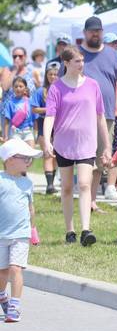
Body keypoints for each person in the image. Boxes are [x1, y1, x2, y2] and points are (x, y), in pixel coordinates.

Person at [67, 16, 117, 214]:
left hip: (105, 114)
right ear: (84, 33)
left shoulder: (112, 55)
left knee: (100, 160)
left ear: (102, 32)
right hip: (78, 114)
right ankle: (78, 196)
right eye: (91, 31)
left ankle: (91, 201)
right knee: (83, 158)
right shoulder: (77, 54)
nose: (95, 34)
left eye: (97, 30)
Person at [44, 45, 110, 247]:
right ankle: (69, 230)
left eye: (82, 60)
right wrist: (47, 140)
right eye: (77, 61)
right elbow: (50, 116)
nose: (81, 64)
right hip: (63, 143)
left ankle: (85, 230)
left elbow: (100, 117)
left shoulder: (92, 85)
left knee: (83, 184)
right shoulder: (56, 87)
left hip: (87, 144)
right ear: (66, 63)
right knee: (65, 187)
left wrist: (106, 145)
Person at [0, 138, 41, 323]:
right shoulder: (1, 180)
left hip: (20, 235)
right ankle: (2, 295)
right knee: (2, 272)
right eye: (24, 158)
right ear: (9, 159)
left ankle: (14, 305)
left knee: (16, 268)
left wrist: (33, 229)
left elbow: (30, 208)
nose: (28, 162)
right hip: (2, 234)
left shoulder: (27, 183)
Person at [31, 66, 58, 194]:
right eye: (50, 74)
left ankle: (53, 180)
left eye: (55, 74)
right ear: (46, 76)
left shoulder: (62, 90)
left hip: (59, 126)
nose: (52, 77)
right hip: (43, 124)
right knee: (47, 153)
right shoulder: (40, 91)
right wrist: (49, 110)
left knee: (57, 155)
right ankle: (50, 185)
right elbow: (34, 109)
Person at [3, 77, 35, 147]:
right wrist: (5, 136)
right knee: (18, 156)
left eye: (20, 86)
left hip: (28, 132)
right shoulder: (10, 103)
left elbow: (35, 118)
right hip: (15, 133)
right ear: (13, 88)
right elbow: (7, 121)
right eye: (16, 86)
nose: (18, 88)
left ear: (25, 88)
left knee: (30, 154)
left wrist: (36, 132)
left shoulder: (30, 102)